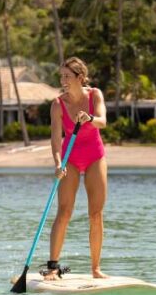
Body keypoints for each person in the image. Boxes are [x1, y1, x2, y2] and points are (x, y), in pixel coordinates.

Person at [43, 56, 108, 280]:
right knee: (64, 211)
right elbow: (55, 139)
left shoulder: (95, 95)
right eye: (61, 76)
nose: (63, 80)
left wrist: (89, 118)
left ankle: (95, 269)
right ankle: (52, 267)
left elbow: (102, 121)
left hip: (94, 156)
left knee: (95, 213)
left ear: (80, 78)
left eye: (67, 76)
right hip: (70, 157)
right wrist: (58, 163)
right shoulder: (58, 105)